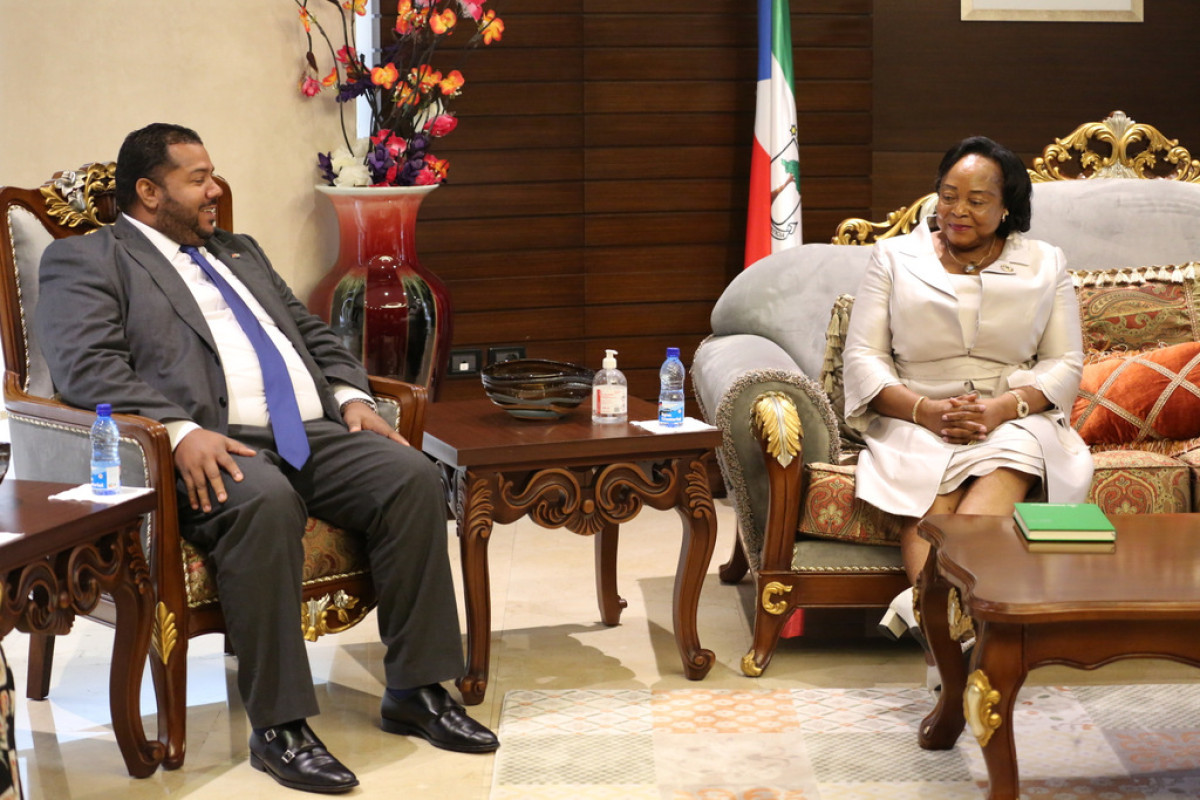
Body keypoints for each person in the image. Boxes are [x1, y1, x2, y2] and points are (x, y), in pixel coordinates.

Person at [35, 123, 497, 794]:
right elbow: (87, 367)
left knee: (413, 477)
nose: (214, 189)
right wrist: (179, 429)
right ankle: (280, 728)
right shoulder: (88, 260)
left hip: (309, 429)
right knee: (265, 500)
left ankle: (417, 691)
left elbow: (310, 333)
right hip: (207, 443)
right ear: (149, 192)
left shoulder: (238, 251)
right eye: (197, 178)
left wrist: (351, 397)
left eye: (212, 174)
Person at [841, 136, 1093, 682]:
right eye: (949, 195)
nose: (958, 210)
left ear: (1007, 207)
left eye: (977, 200)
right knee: (928, 489)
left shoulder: (1045, 263)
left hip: (1013, 413)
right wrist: (924, 411)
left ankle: (935, 626)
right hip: (914, 409)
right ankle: (953, 643)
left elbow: (1065, 362)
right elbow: (863, 357)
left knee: (1008, 463)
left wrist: (1003, 408)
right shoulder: (894, 257)